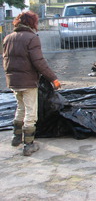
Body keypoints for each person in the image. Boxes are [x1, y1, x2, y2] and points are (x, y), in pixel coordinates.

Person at [2, 11, 61, 156]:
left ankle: (16, 137)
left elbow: (6, 60)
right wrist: (53, 78)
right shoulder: (32, 38)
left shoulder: (8, 38)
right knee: (31, 112)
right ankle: (29, 145)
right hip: (27, 81)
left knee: (20, 108)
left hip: (13, 81)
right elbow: (39, 62)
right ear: (31, 23)